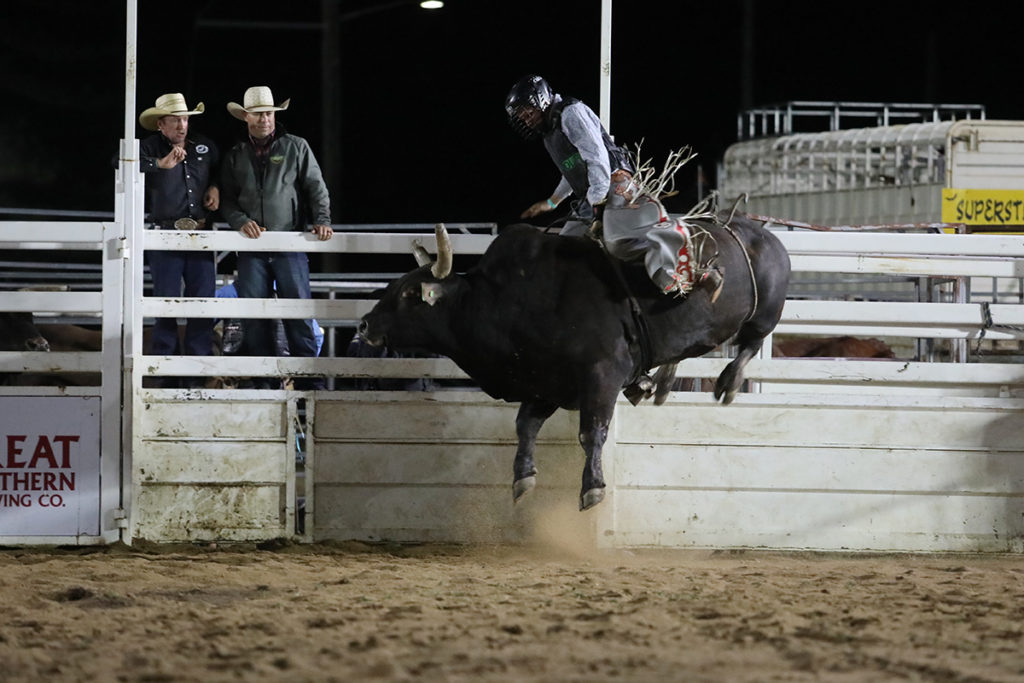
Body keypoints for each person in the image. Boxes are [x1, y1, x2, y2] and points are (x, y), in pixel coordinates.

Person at [219, 86, 332, 390]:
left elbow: (315, 187)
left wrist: (322, 221)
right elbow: (227, 201)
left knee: (298, 312)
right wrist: (241, 222)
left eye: (269, 113)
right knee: (254, 317)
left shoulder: (296, 147)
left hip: (288, 242)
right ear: (246, 117)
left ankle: (310, 382)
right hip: (253, 247)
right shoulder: (235, 155)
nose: (265, 119)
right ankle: (264, 383)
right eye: (259, 113)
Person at [138, 92, 220, 388]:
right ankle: (164, 369)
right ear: (161, 124)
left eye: (184, 119)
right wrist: (159, 165)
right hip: (165, 233)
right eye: (175, 120)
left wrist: (214, 185)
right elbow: (119, 163)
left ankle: (196, 369)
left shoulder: (205, 146)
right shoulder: (147, 148)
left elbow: (222, 171)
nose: (181, 125)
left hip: (199, 232)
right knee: (165, 302)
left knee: (202, 301)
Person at [504, 74, 634, 237]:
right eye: (522, 118)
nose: (527, 121)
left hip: (614, 186)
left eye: (528, 113)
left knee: (566, 249)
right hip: (595, 194)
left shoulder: (570, 113)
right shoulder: (550, 133)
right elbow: (573, 171)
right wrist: (552, 202)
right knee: (566, 248)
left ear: (541, 100)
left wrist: (597, 207)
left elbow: (596, 157)